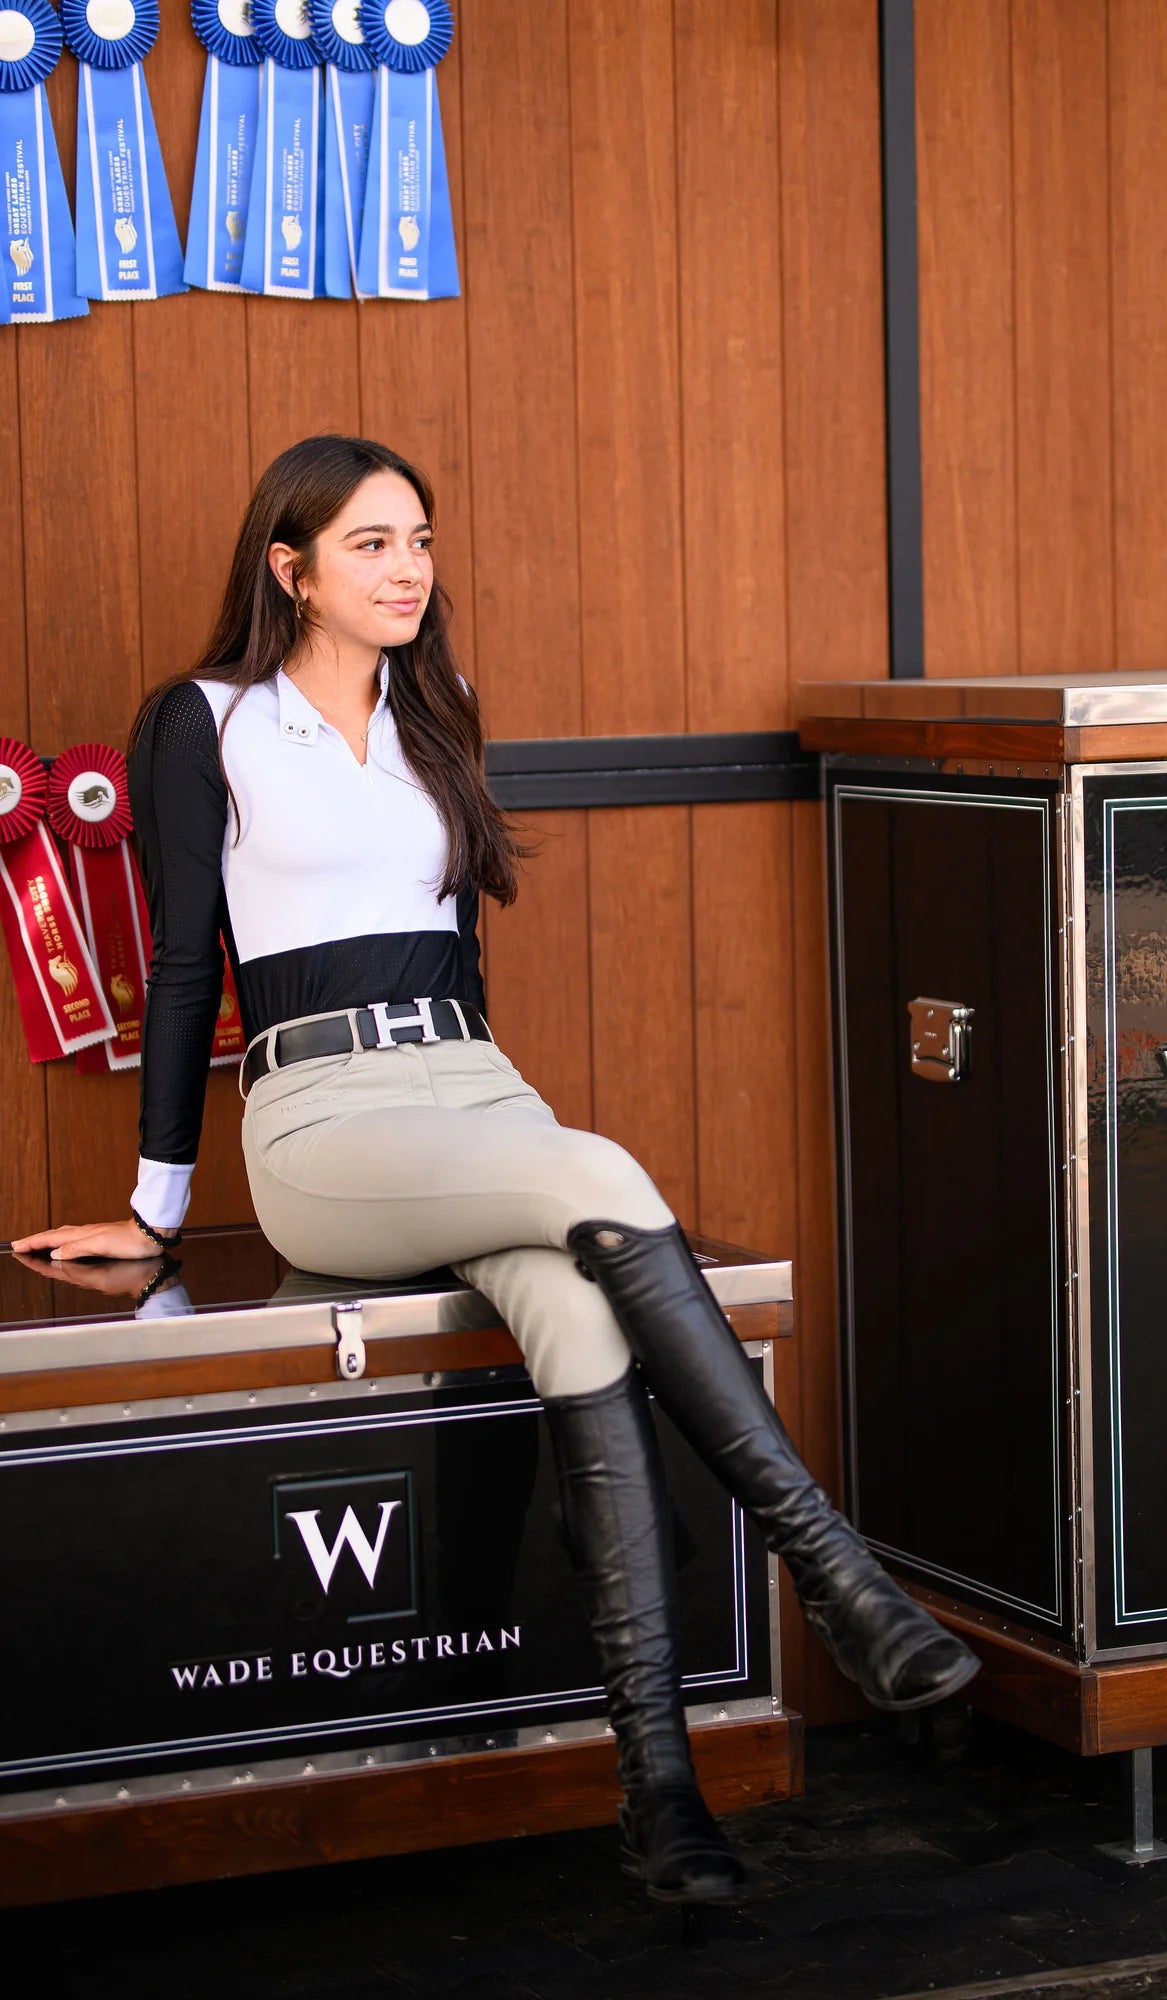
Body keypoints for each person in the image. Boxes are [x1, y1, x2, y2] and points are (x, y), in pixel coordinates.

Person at [13, 435, 979, 1905]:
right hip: (321, 1120)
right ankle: (835, 1572)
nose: (408, 569)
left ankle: (660, 1799)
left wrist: (491, 1124)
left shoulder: (436, 702)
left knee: (579, 1304)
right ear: (290, 568)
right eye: (372, 544)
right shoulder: (204, 719)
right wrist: (158, 1210)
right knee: (599, 1170)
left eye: (419, 540)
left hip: (472, 1090)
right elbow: (187, 962)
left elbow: (461, 953)